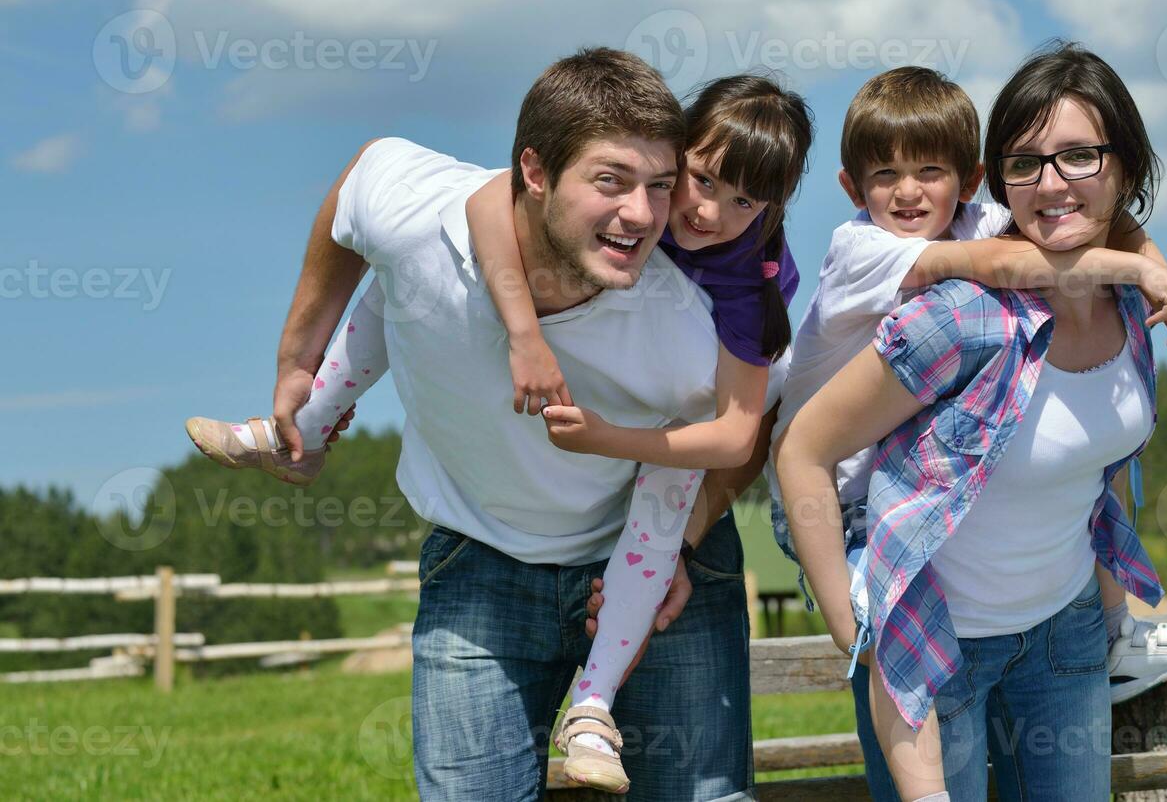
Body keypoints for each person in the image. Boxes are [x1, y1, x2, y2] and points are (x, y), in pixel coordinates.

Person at [191, 48, 773, 801]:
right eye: (610, 180)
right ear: (535, 172)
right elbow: (357, 186)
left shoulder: (695, 323)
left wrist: (686, 537)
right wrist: (297, 355)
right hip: (478, 563)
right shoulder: (425, 220)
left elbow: (747, 433)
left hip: (654, 581)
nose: (642, 213)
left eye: (660, 186)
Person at [776, 43, 1167, 801]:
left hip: (1065, 633)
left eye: (1078, 156)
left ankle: (1125, 634)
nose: (1050, 183)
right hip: (931, 633)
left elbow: (1098, 460)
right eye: (1026, 162)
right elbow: (802, 450)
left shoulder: (1124, 308)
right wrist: (845, 625)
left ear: (1124, 167)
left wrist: (1161, 278)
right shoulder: (951, 303)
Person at [466, 73, 812, 792]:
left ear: (771, 207)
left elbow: (732, 439)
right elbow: (484, 200)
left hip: (696, 428)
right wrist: (524, 335)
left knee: (663, 505)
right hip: (625, 438)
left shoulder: (749, 283)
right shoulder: (634, 212)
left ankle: (592, 706)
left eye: (744, 199)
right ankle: (309, 412)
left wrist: (605, 437)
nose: (709, 212)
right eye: (701, 179)